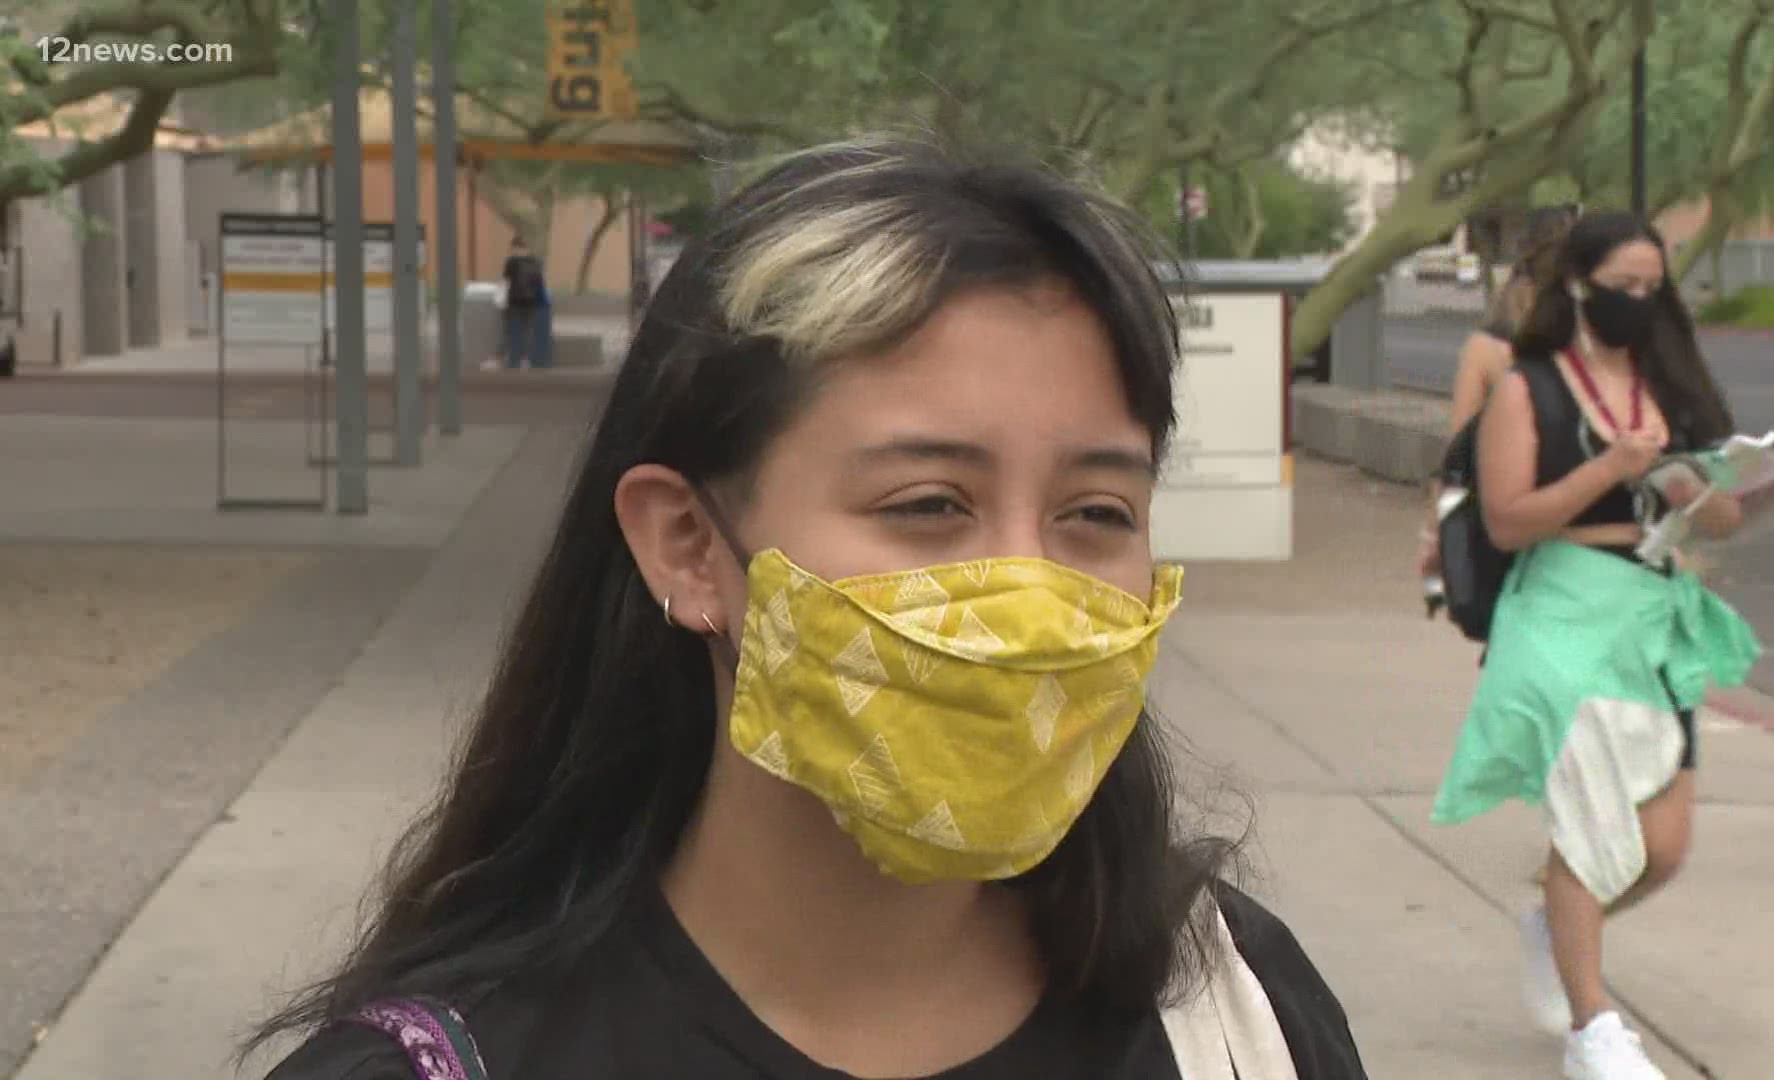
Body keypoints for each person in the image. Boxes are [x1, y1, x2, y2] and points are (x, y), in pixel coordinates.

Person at [249, 136, 1370, 1079]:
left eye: (1097, 513)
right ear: (689, 547)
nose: (1032, 593)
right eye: (930, 503)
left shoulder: (1237, 1019)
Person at [1430, 211, 1760, 1080]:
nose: (1641, 303)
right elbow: (1507, 519)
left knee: (1662, 850)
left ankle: (1554, 924)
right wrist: (1606, 470)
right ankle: (1595, 1031)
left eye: (1654, 288)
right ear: (1579, 285)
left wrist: (1697, 487)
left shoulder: (1671, 383)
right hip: (1565, 613)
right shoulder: (1526, 388)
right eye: (1626, 287)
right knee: (1591, 834)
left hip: (1655, 616)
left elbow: (1725, 515)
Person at [1419, 207, 1579, 576]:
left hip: (1506, 518)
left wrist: (1436, 532)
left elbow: (1457, 452)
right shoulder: (1593, 346)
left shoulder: (1487, 347)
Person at [500, 236, 550, 369]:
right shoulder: (537, 262)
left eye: (512, 248)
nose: (511, 251)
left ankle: (511, 359)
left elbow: (505, 283)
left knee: (511, 331)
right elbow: (542, 283)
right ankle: (526, 360)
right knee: (527, 331)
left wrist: (501, 301)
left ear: (516, 247)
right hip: (532, 302)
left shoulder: (511, 262)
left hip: (514, 301)